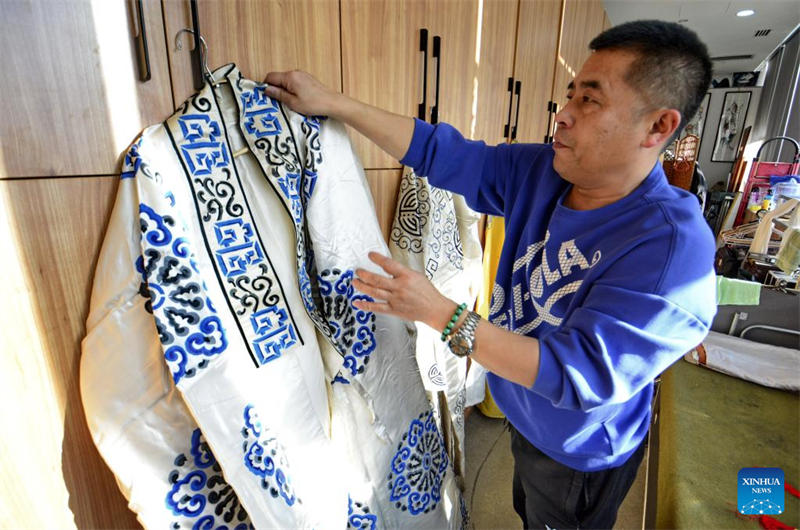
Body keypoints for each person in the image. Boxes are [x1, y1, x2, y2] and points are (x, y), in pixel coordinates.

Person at [264, 19, 717, 530]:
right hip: (525, 413)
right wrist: (336, 103)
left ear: (658, 126)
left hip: (579, 452)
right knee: (527, 506)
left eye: (589, 101)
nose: (562, 117)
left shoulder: (671, 251)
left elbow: (577, 374)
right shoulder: (544, 170)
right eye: (569, 96)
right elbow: (443, 153)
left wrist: (439, 312)